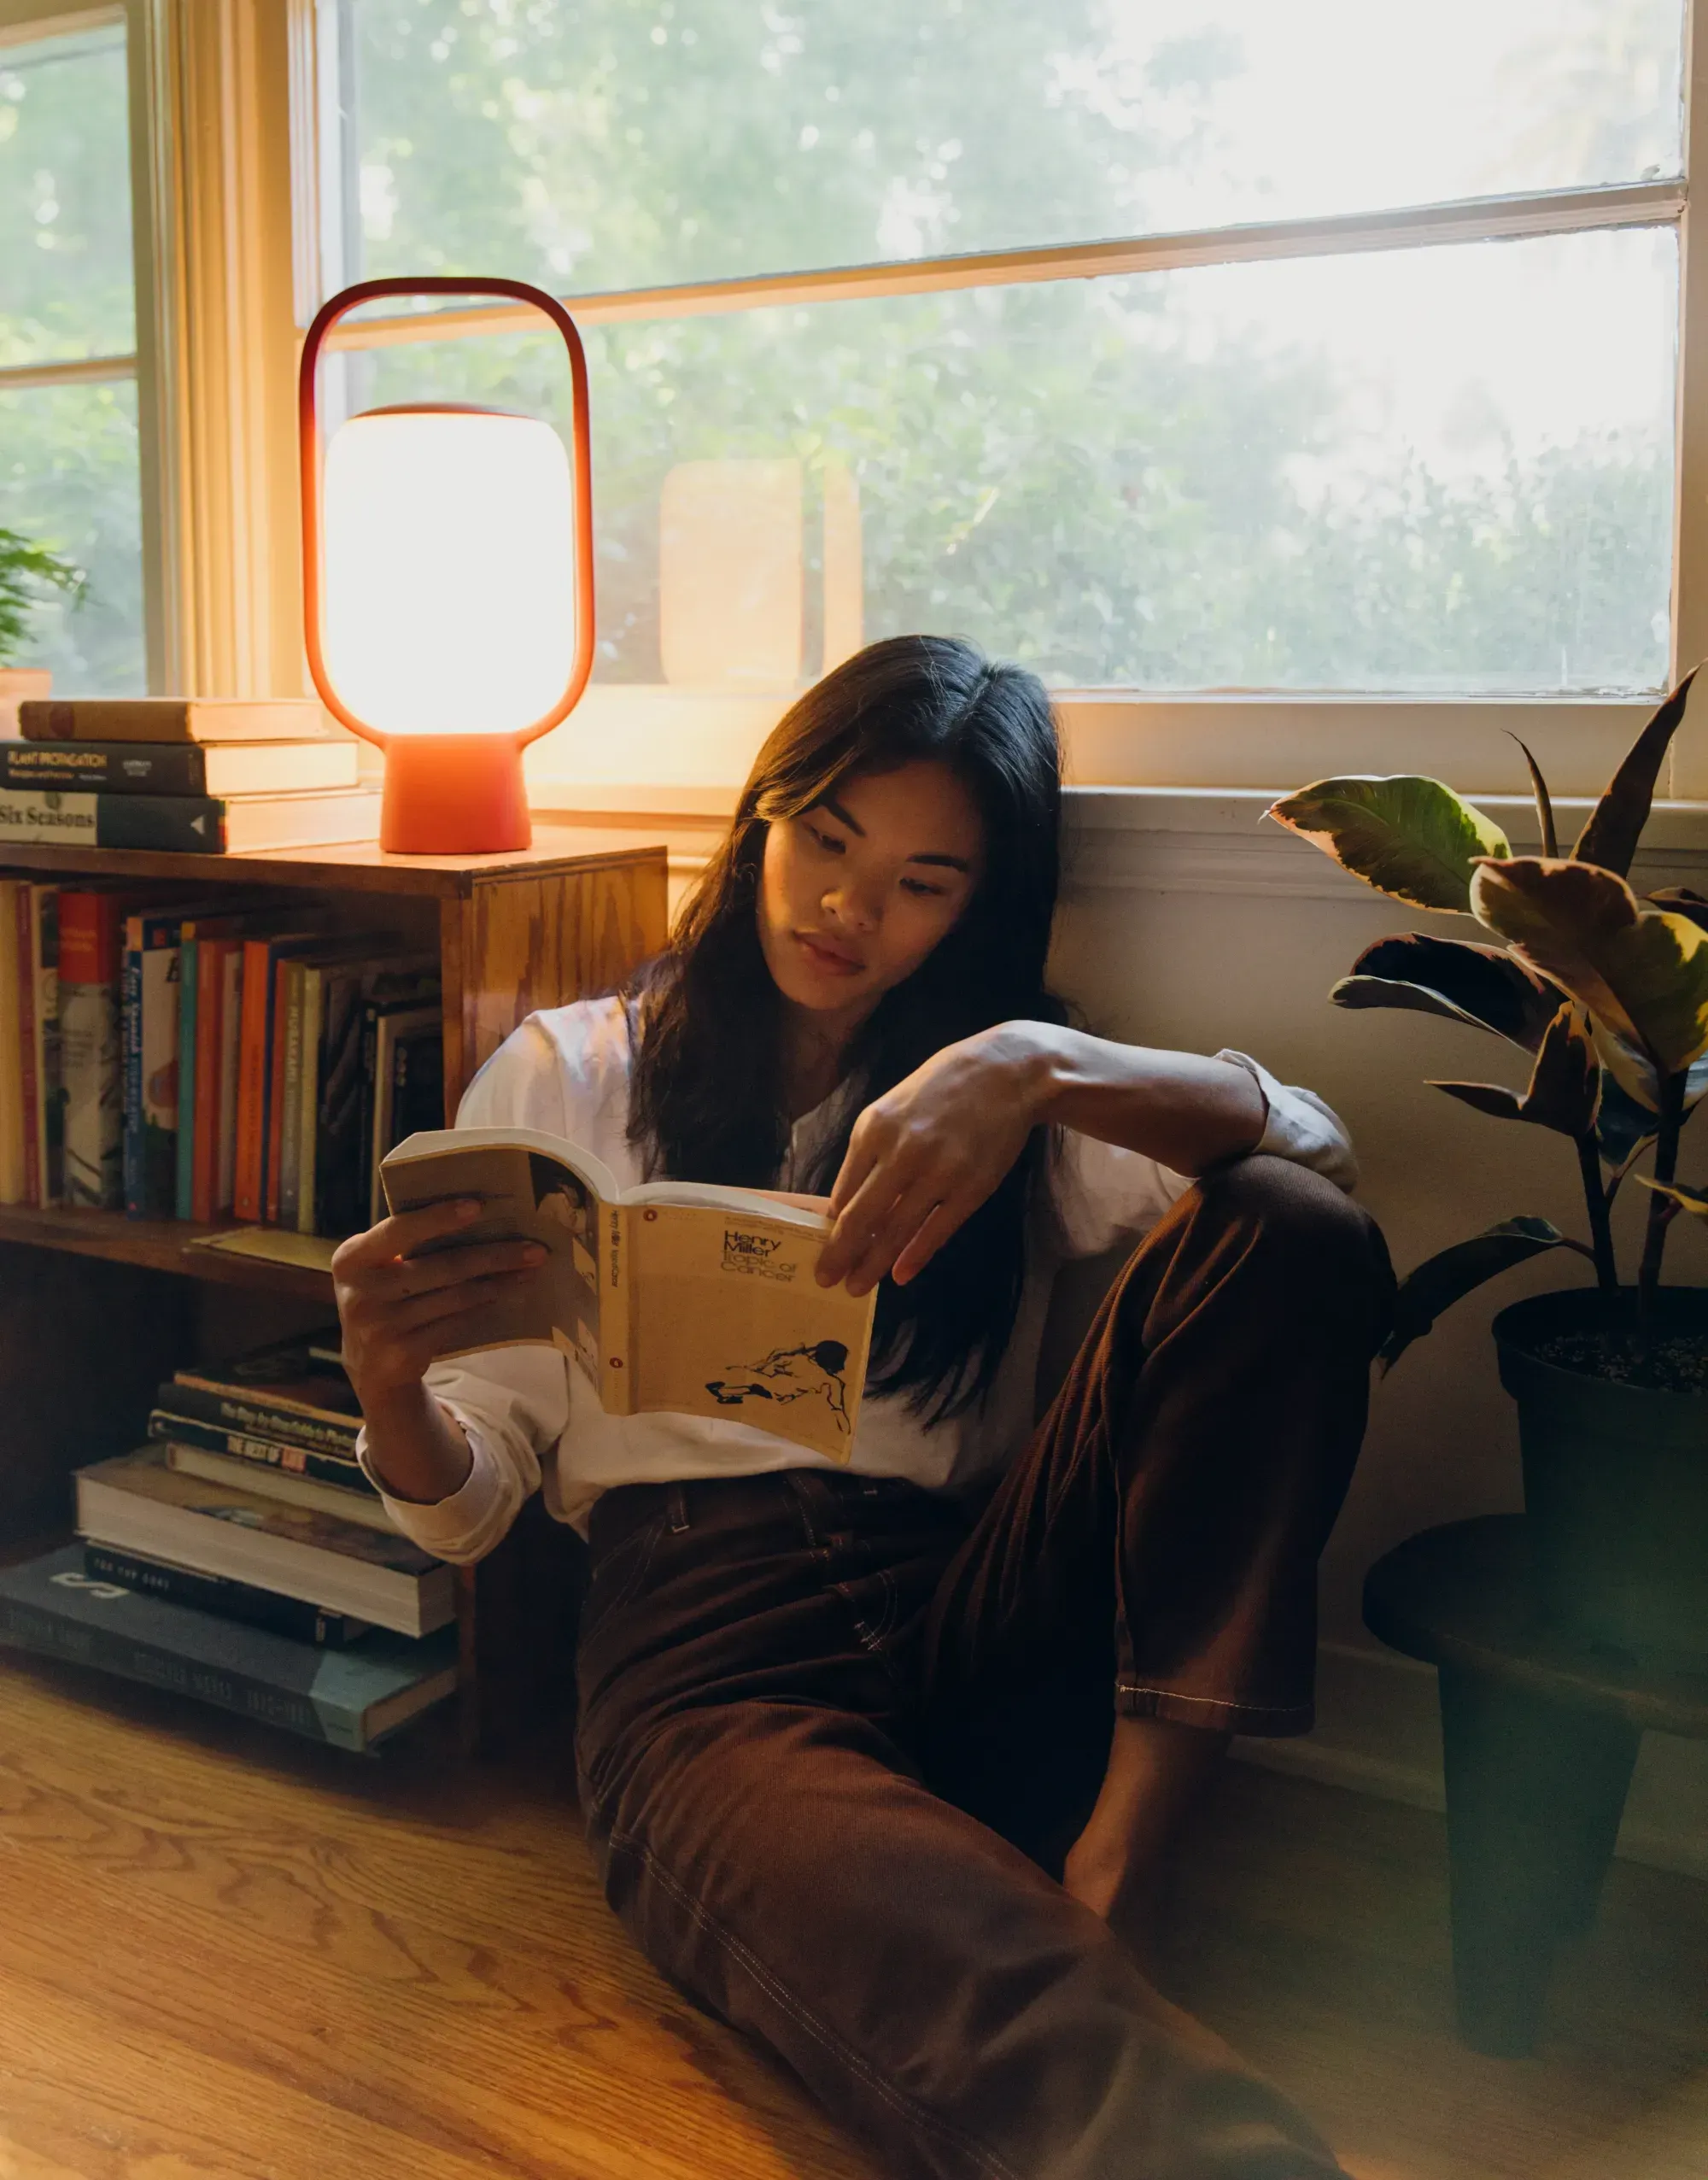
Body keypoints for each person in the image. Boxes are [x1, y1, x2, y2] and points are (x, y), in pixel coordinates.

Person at [333, 635, 1393, 2180]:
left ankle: (1122, 1864)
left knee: (1291, 1232)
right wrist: (386, 1394)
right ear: (764, 811)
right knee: (997, 2008)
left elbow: (1319, 1155)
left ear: (980, 906)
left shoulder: (993, 1093)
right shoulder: (573, 1071)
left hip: (973, 1597)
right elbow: (476, 1495)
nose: (848, 905)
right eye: (827, 836)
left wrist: (1037, 1064)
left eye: (922, 878)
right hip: (708, 1655)